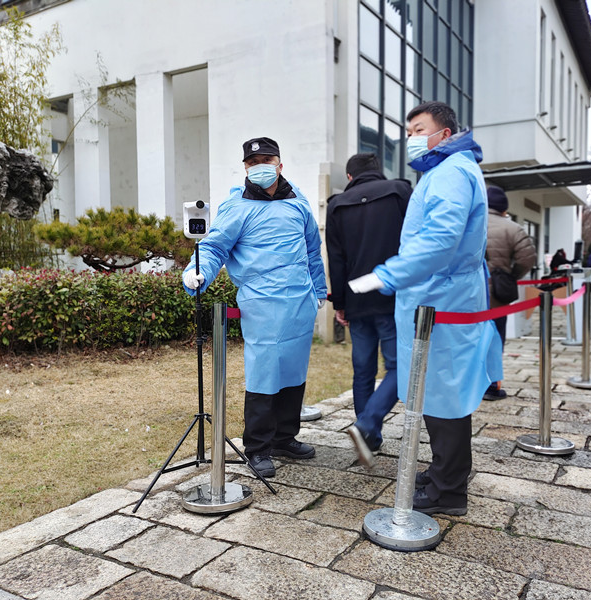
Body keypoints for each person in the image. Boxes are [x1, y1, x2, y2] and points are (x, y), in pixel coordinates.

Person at [349, 101, 502, 516]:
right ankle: (443, 472)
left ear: (446, 133)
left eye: (419, 129)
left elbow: (439, 240)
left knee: (444, 394)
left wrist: (388, 274)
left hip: (441, 298)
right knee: (433, 391)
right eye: (409, 131)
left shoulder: (451, 172)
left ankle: (448, 491)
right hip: (436, 296)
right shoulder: (444, 171)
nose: (412, 138)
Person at [182, 137, 327, 478]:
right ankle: (258, 447)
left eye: (266, 159)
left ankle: (284, 437)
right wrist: (196, 271)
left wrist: (319, 290)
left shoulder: (299, 203)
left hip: (299, 303)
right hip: (262, 304)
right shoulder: (237, 207)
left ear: (280, 163)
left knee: (293, 372)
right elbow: (215, 246)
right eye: (253, 162)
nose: (260, 166)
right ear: (245, 167)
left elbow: (312, 250)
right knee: (264, 373)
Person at [325, 153, 411, 466]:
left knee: (363, 369)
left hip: (357, 299)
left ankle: (369, 436)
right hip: (393, 295)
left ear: (350, 177)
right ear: (377, 171)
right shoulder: (400, 191)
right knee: (399, 367)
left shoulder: (337, 204)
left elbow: (336, 259)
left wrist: (341, 305)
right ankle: (367, 425)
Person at [484, 185, 537, 400]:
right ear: (504, 209)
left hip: (468, 293)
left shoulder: (468, 224)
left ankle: (467, 384)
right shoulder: (513, 228)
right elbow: (528, 258)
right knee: (495, 339)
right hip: (497, 294)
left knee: (468, 338)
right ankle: (491, 387)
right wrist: (510, 275)